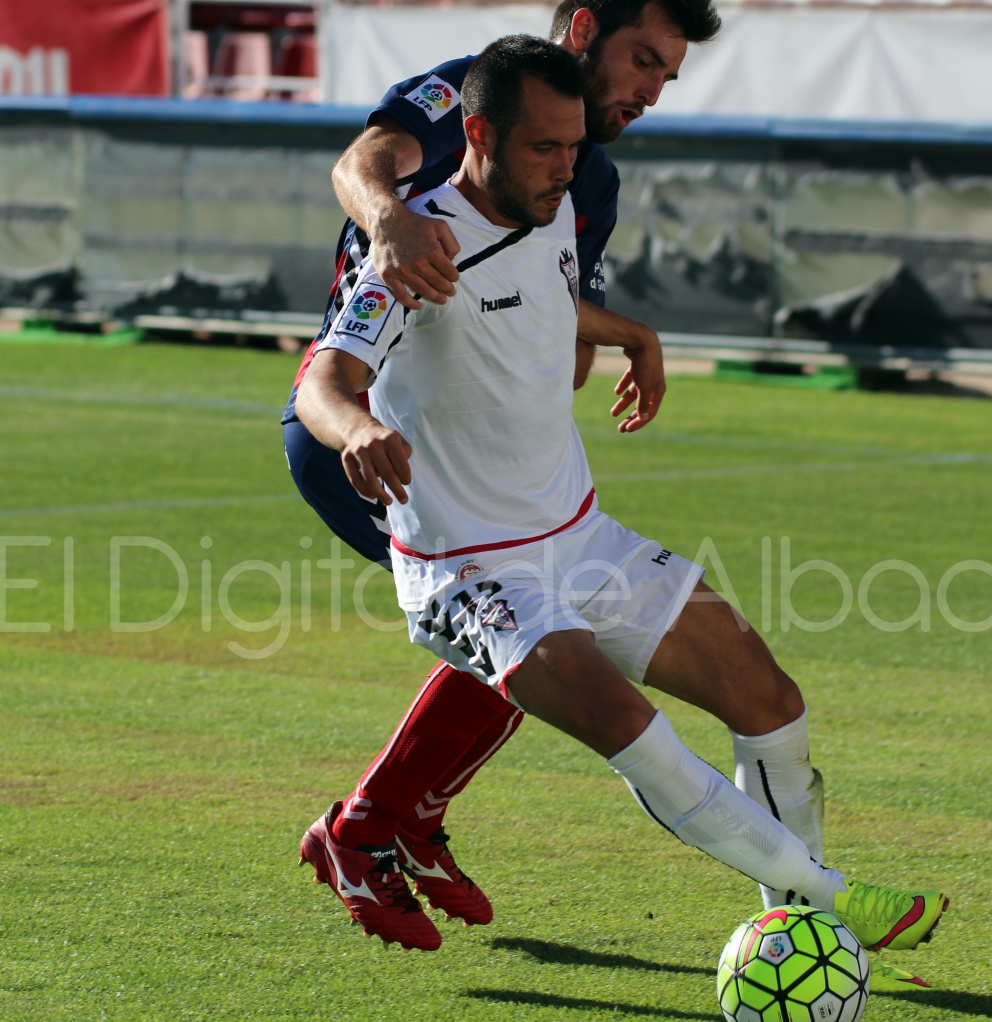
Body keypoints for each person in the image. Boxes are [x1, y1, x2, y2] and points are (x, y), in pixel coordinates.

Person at [295, 36, 950, 959]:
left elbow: (537, 299)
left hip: (578, 537)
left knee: (773, 701)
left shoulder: (553, 204)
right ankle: (831, 903)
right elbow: (324, 382)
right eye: (543, 149)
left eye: (573, 148)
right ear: (477, 134)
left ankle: (796, 932)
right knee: (639, 734)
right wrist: (356, 428)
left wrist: (631, 331)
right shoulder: (419, 246)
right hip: (472, 575)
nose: (566, 169)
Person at [282, 0, 710, 937]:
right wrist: (391, 217)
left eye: (666, 77)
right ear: (585, 28)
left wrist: (619, 339)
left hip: (474, 456)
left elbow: (550, 313)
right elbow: (359, 165)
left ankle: (402, 818)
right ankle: (377, 825)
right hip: (360, 429)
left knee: (531, 612)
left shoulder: (588, 176)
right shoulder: (469, 90)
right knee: (516, 609)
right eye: (642, 59)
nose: (649, 90)